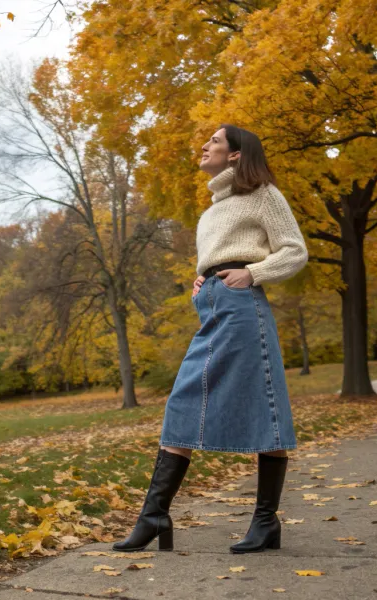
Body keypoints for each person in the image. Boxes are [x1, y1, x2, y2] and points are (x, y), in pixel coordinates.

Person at [112, 124, 308, 555]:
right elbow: (218, 256)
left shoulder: (263, 195)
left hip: (243, 309)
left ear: (237, 154)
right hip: (213, 307)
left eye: (215, 141)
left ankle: (265, 523)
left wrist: (252, 273)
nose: (204, 146)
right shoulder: (212, 210)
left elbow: (294, 250)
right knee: (182, 399)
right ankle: (155, 515)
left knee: (264, 407)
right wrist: (200, 280)